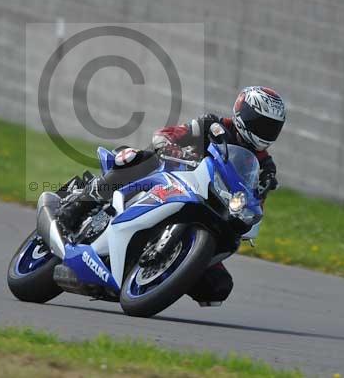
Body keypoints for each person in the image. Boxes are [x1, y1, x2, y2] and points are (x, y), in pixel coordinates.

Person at [55, 86, 285, 305]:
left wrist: (249, 212)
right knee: (135, 159)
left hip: (213, 210)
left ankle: (165, 273)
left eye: (271, 127)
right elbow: (168, 134)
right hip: (171, 178)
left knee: (218, 287)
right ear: (242, 112)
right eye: (259, 123)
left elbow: (256, 204)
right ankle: (76, 207)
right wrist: (169, 145)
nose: (264, 131)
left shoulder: (265, 167)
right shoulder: (212, 126)